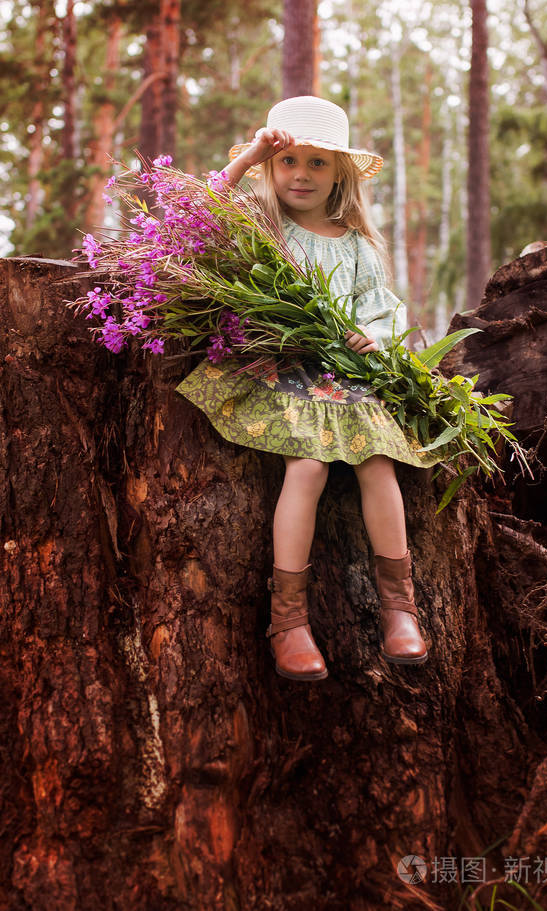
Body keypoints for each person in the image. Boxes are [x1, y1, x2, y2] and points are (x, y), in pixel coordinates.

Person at [176, 95, 441, 682]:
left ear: (340, 174)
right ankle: (288, 620)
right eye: (288, 161)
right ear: (273, 168)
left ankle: (401, 608)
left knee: (377, 462)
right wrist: (247, 159)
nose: (300, 174)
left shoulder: (355, 244)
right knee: (309, 468)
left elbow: (382, 310)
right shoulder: (262, 228)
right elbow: (196, 214)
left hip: (346, 372)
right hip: (286, 369)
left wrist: (378, 339)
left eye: (318, 163)